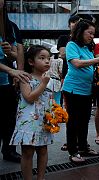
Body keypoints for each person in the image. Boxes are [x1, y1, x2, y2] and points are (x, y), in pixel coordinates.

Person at [62, 19, 99, 163]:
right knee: (73, 121)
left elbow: (90, 66)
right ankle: (73, 151)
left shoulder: (88, 48)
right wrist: (96, 61)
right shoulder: (71, 45)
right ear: (81, 31)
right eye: (89, 33)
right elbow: (76, 63)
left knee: (84, 120)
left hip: (87, 90)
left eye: (93, 34)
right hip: (73, 90)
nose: (91, 36)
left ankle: (83, 147)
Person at [9, 45, 53, 180]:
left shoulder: (48, 79)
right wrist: (43, 84)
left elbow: (50, 101)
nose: (47, 61)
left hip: (43, 121)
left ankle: (41, 178)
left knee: (43, 150)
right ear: (31, 62)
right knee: (28, 152)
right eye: (42, 58)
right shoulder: (25, 78)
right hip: (28, 122)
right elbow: (29, 97)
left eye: (48, 58)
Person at [0, 0, 23, 163]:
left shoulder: (11, 27)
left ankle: (9, 150)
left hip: (6, 83)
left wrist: (10, 53)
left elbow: (17, 54)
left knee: (10, 118)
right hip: (8, 73)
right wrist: (11, 70)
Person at [57, 15, 81, 151]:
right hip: (67, 77)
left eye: (78, 22)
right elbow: (63, 54)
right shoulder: (64, 39)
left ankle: (80, 142)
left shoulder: (86, 42)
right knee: (70, 113)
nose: (75, 24)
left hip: (83, 81)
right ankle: (70, 142)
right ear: (69, 25)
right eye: (73, 22)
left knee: (81, 115)